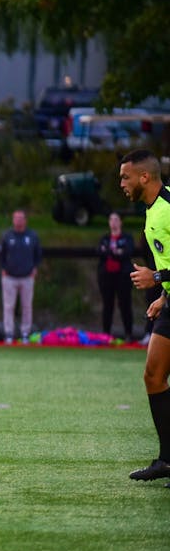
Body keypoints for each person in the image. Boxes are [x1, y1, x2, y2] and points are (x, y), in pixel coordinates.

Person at [123, 149, 170, 485]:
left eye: (125, 177)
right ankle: (166, 460)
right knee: (153, 375)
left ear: (144, 177)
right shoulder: (151, 211)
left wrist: (154, 279)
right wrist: (164, 297)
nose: (121, 184)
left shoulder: (168, 208)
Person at [0, 208, 42, 345]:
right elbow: (0, 254)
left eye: (21, 218)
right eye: (16, 218)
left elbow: (38, 254)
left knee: (27, 306)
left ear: (25, 220)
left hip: (27, 277)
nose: (18, 221)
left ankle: (25, 333)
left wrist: (35, 268)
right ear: (13, 220)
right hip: (9, 277)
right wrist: (3, 269)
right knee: (8, 306)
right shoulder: (7, 236)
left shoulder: (32, 236)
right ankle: (9, 333)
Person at [96, 211, 134, 340]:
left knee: (125, 305)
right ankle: (106, 334)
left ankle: (128, 334)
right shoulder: (105, 238)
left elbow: (127, 252)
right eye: (111, 219)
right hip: (107, 277)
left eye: (116, 219)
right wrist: (116, 252)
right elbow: (100, 252)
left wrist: (113, 252)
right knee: (107, 305)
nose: (113, 222)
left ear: (120, 222)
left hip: (122, 277)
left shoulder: (127, 238)